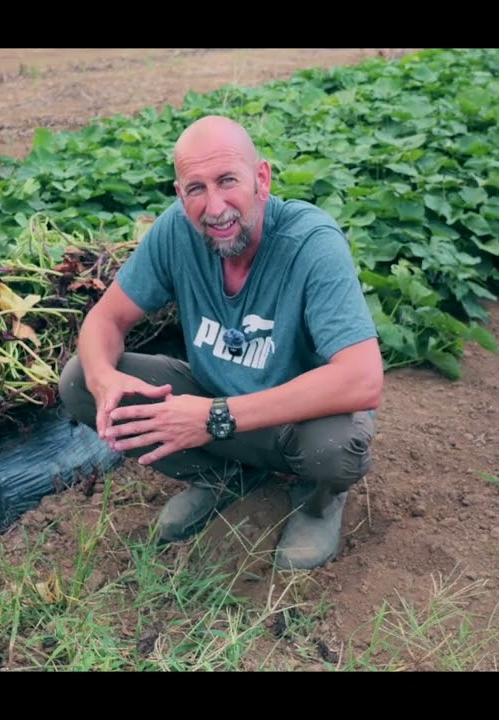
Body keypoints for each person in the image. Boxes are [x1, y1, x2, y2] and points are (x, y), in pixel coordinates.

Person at [58, 114, 383, 570]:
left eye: (227, 181)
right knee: (78, 382)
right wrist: (103, 378)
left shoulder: (311, 243)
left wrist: (214, 419)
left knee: (337, 446)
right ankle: (224, 478)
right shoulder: (177, 232)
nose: (214, 207)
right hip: (217, 399)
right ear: (180, 195)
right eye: (196, 188)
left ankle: (317, 500)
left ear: (261, 179)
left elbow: (362, 379)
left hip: (294, 421)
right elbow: (105, 319)